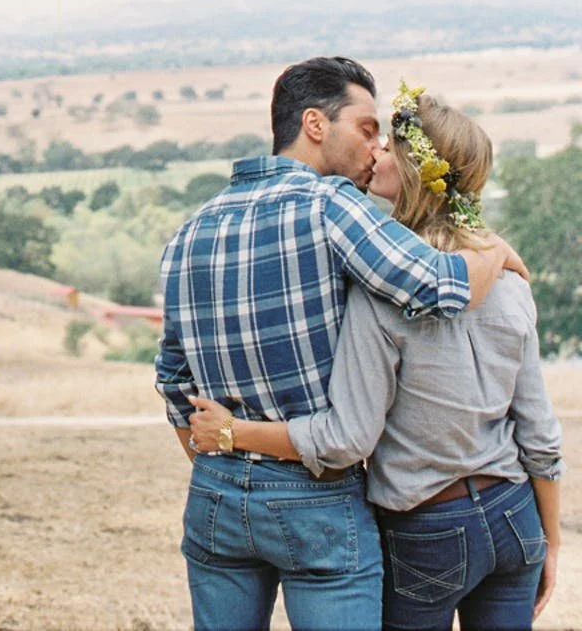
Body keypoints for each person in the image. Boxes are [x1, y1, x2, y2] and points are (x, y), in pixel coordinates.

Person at [156, 56, 528, 631]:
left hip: (217, 492)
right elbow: (442, 289)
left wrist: (230, 465)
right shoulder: (331, 206)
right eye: (366, 128)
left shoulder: (189, 231)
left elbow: (174, 381)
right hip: (318, 496)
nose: (375, 146)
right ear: (314, 125)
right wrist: (494, 253)